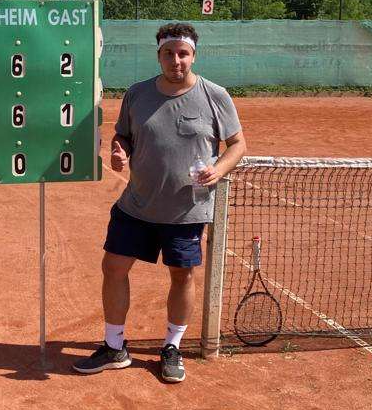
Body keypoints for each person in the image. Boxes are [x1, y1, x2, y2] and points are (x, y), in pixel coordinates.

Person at [74, 22, 246, 383]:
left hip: (186, 211)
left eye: (183, 53)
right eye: (169, 53)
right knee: (113, 267)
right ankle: (114, 346)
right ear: (159, 56)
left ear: (193, 56)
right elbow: (123, 135)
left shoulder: (216, 96)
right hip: (136, 205)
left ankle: (172, 347)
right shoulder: (137, 94)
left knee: (182, 275)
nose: (176, 60)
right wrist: (119, 150)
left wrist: (219, 169)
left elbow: (238, 145)